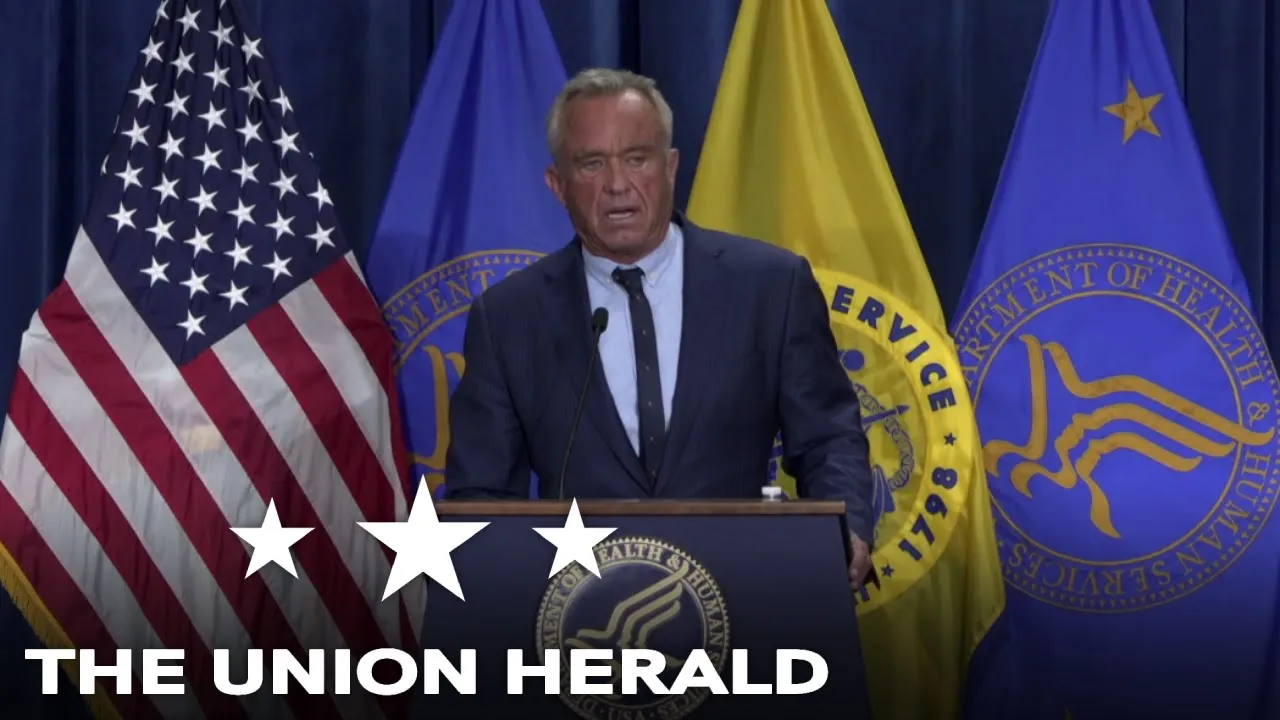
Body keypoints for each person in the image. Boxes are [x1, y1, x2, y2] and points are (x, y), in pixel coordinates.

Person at [443, 68, 874, 588]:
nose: (617, 184)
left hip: (748, 592)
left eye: (637, 158)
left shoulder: (770, 287)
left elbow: (827, 436)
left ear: (670, 167)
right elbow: (483, 493)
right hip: (579, 608)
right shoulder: (509, 317)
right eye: (592, 163)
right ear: (557, 185)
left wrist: (847, 529)